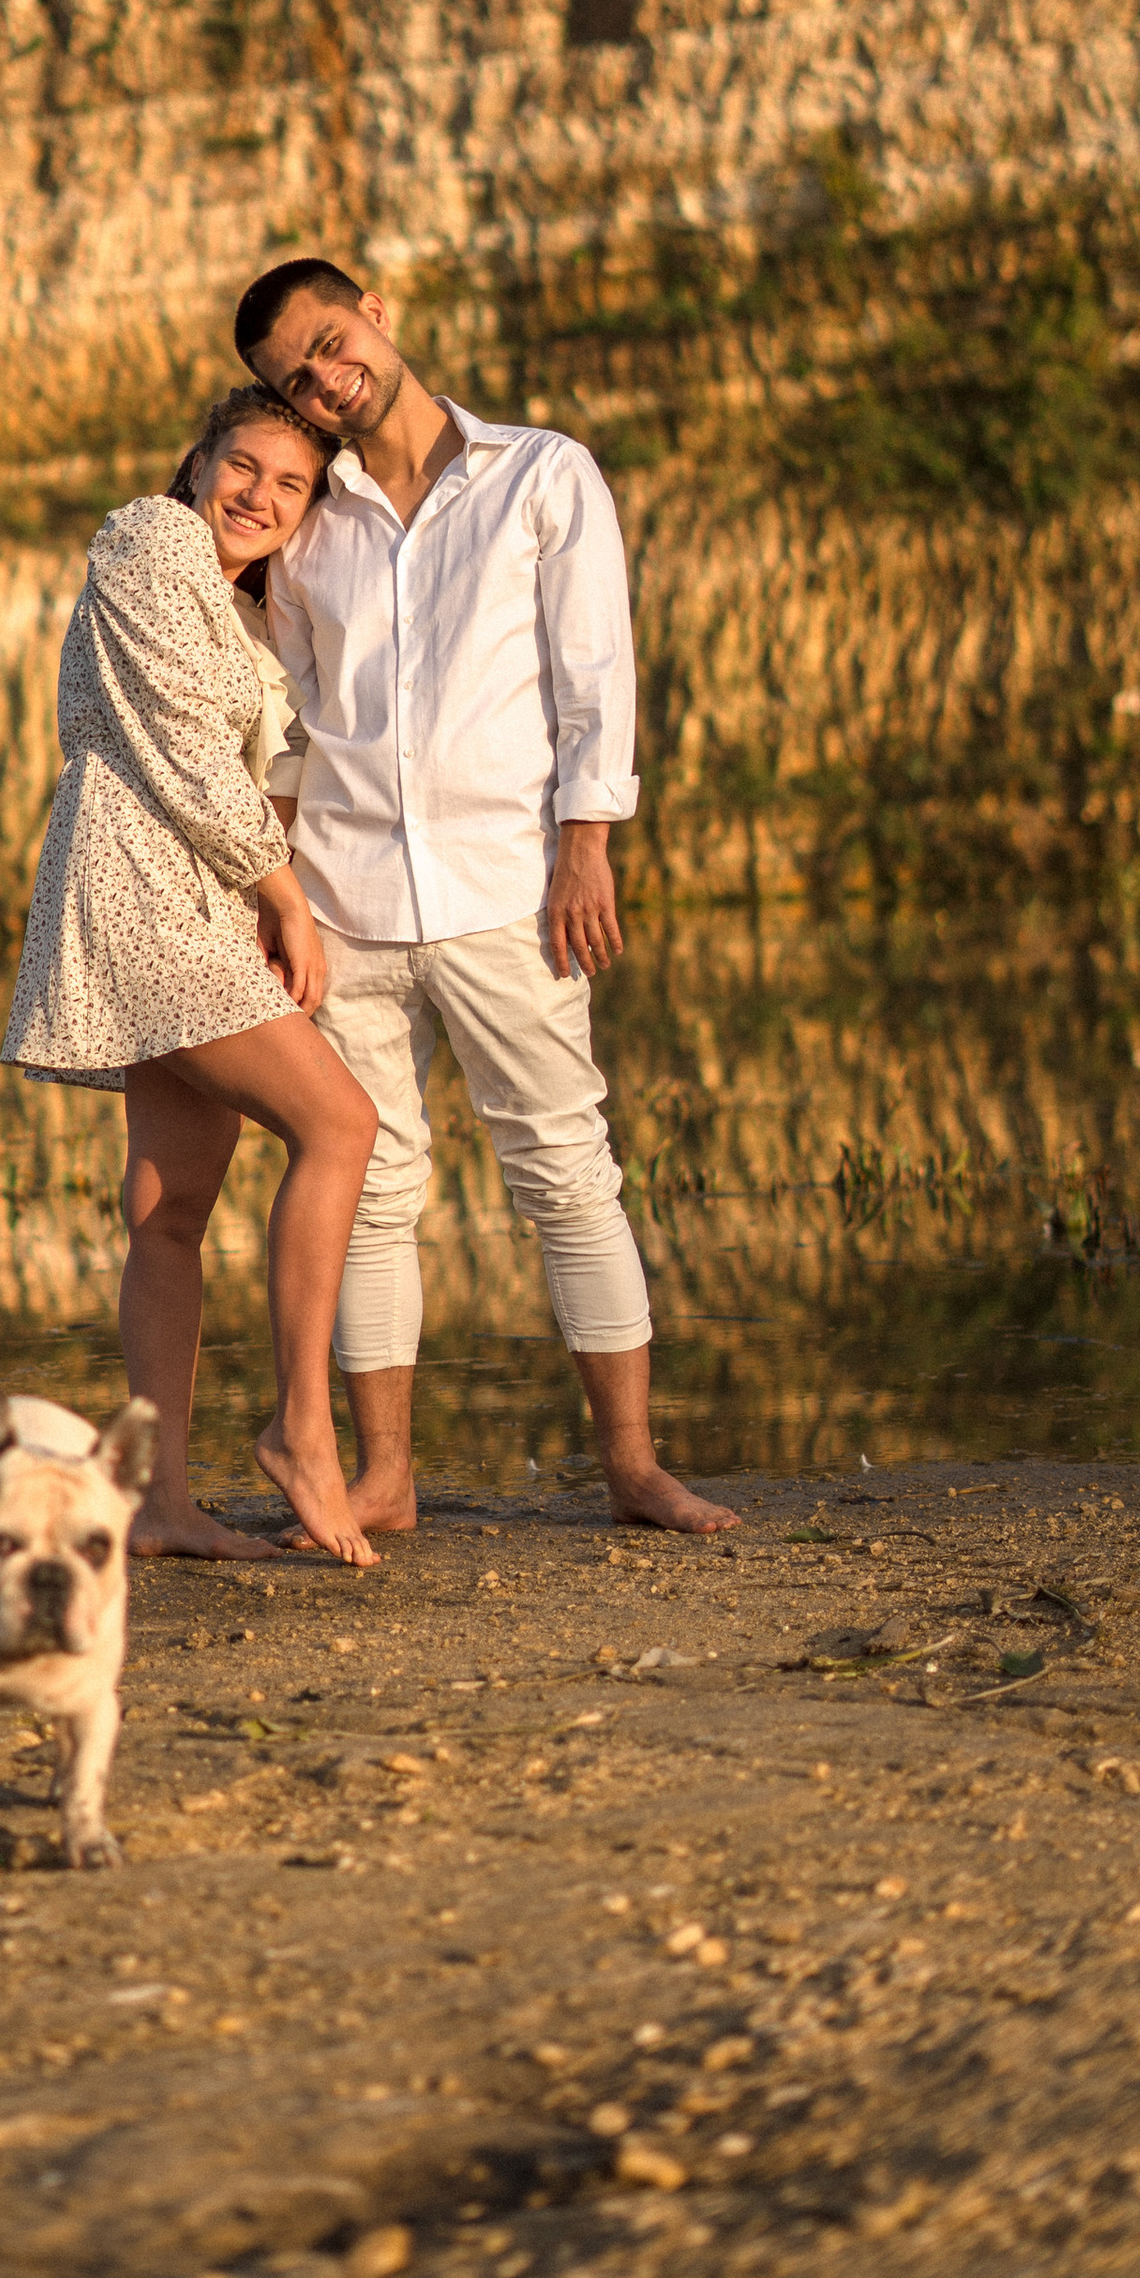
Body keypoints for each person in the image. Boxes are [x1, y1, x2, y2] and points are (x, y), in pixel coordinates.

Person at [235, 256, 738, 1540]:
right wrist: (275, 895)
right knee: (372, 1186)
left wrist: (587, 843)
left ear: (376, 313)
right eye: (297, 378)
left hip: (510, 889)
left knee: (565, 1168)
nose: (326, 380)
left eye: (331, 341)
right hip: (344, 900)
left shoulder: (542, 474)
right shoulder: (310, 520)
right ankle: (385, 1477)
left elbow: (593, 674)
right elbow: (290, 720)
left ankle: (632, 1469)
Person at [2, 388, 381, 1567]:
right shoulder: (150, 539)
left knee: (169, 1212)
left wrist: (262, 899)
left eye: (292, 486)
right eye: (245, 467)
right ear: (201, 461)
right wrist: (286, 899)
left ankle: (158, 1500)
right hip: (139, 885)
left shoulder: (244, 614)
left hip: (202, 897)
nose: (261, 497)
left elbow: (268, 770)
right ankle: (302, 1432)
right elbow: (178, 746)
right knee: (340, 1124)